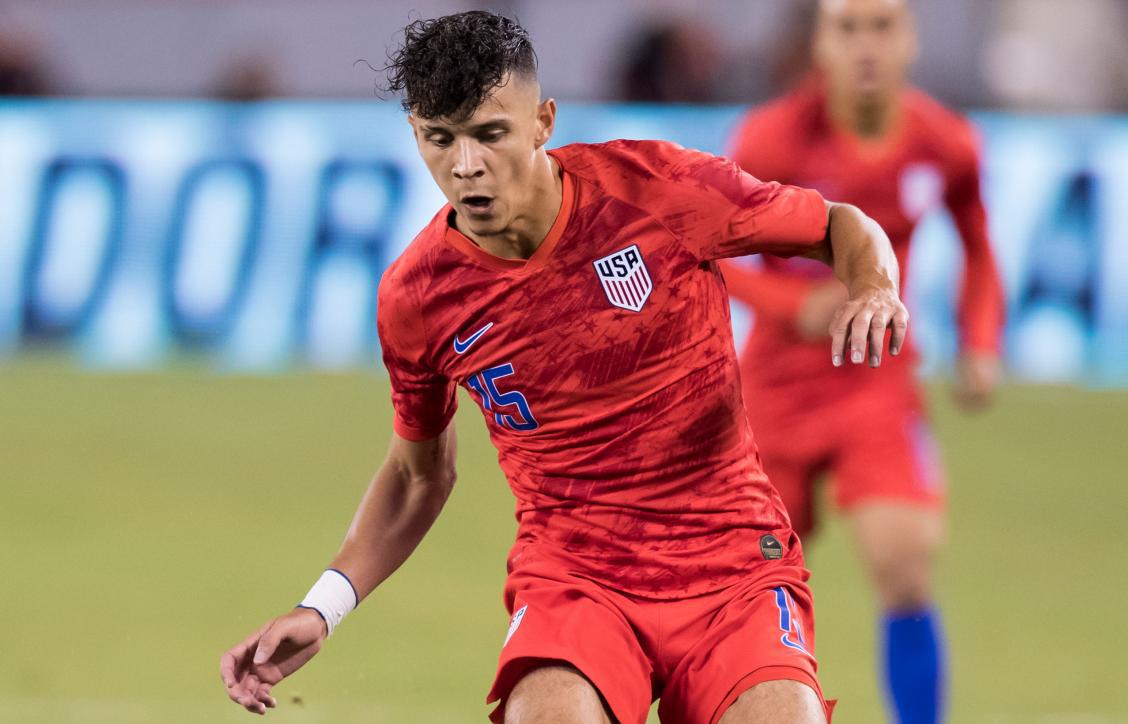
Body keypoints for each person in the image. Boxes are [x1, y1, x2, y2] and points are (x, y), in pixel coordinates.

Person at [219, 11, 909, 724]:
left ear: (543, 121)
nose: (465, 166)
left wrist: (873, 285)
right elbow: (416, 473)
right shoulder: (419, 298)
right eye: (439, 138)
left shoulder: (657, 189)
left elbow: (839, 225)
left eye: (490, 133)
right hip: (576, 580)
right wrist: (323, 606)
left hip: (730, 560)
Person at [721, 1, 1004, 722]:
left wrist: (980, 343)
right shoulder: (770, 139)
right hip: (776, 390)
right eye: (847, 28)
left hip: (875, 383)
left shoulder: (946, 145)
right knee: (740, 587)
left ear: (908, 38)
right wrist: (794, 308)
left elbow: (978, 249)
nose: (865, 46)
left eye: (881, 26)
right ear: (819, 42)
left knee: (904, 561)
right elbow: (715, 258)